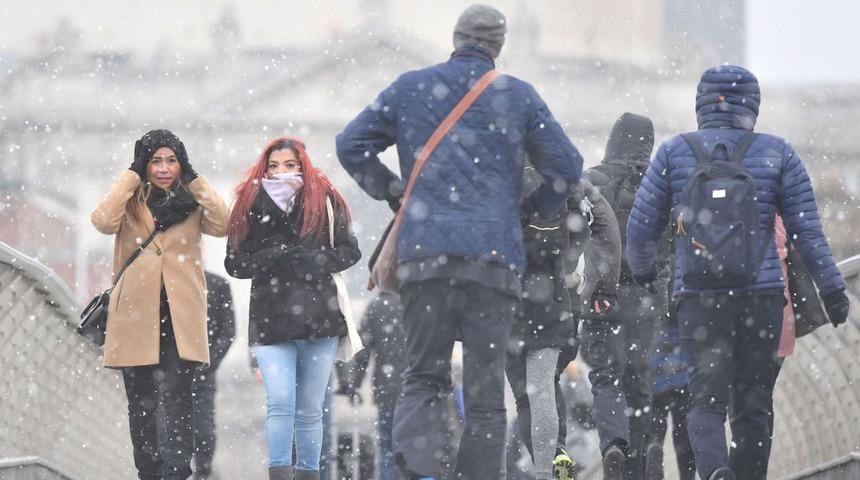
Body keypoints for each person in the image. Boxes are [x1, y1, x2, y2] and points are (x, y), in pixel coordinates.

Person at [336, 4, 583, 478]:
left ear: (455, 38)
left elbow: (352, 144)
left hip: (424, 257)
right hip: (492, 262)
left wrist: (396, 193)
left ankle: (415, 472)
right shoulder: (517, 95)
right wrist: (531, 209)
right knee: (486, 392)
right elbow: (567, 167)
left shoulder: (412, 87)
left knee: (422, 377)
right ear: (498, 46)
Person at [626, 65, 850, 480]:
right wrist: (833, 290)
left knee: (704, 401)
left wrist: (642, 274)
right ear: (753, 105)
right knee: (753, 404)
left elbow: (640, 230)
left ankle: (713, 471)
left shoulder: (675, 153)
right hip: (761, 297)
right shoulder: (777, 153)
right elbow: (808, 232)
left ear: (700, 104)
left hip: (699, 298)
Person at [90, 129, 229, 480]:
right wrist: (132, 175)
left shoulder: (192, 200)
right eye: (155, 161)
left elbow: (225, 222)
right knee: (141, 405)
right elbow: (102, 221)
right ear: (144, 163)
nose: (164, 168)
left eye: (172, 160)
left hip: (180, 317)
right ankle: (149, 473)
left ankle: (178, 473)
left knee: (180, 402)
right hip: (135, 316)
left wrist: (195, 178)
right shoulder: (130, 200)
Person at [224, 137, 361, 480]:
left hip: (320, 318)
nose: (281, 172)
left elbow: (349, 251)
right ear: (263, 168)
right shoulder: (249, 203)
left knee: (311, 410)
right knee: (281, 401)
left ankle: (308, 474)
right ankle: (280, 474)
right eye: (273, 166)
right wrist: (271, 256)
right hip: (271, 319)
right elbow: (234, 264)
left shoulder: (324, 198)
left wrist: (314, 260)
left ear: (302, 165)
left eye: (289, 165)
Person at [505, 169, 620, 480]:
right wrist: (570, 267)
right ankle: (555, 457)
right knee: (544, 385)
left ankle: (550, 460)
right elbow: (601, 226)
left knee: (524, 394)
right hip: (556, 294)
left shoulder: (499, 167)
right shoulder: (560, 170)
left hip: (509, 294)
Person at [581, 112, 664, 480]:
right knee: (638, 376)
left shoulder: (591, 181)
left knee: (605, 378)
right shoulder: (660, 185)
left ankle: (614, 444)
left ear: (613, 140)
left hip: (603, 295)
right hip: (645, 298)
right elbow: (671, 247)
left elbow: (573, 240)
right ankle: (645, 449)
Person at [336, 292, 407, 480]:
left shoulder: (378, 306)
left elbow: (362, 352)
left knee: (388, 448)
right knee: (419, 451)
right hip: (421, 392)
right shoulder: (421, 302)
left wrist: (353, 384)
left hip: (388, 390)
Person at [192, 271, 237, 480]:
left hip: (203, 377)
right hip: (168, 377)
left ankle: (203, 474)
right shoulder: (164, 283)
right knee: (169, 436)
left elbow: (228, 331)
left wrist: (207, 364)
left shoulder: (217, 285)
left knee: (203, 432)